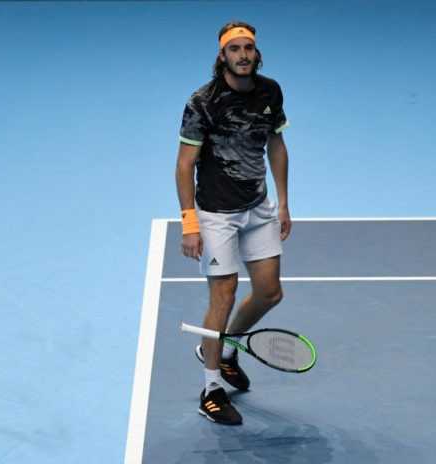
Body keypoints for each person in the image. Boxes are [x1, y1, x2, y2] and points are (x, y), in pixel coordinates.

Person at [175, 21, 292, 426]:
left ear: (257, 53)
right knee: (223, 297)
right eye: (235, 49)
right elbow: (184, 165)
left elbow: (276, 145)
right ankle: (210, 390)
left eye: (249, 48)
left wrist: (283, 203)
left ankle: (226, 351)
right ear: (222, 56)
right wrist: (190, 223)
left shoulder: (270, 91)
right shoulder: (202, 102)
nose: (243, 55)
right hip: (216, 214)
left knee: (269, 293)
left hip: (258, 207)